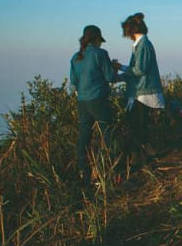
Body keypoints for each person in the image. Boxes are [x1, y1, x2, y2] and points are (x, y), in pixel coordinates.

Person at [113, 13, 165, 162]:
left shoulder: (143, 45)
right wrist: (119, 77)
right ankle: (143, 153)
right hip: (139, 91)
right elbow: (136, 71)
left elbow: (139, 70)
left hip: (143, 92)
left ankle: (144, 154)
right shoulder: (140, 45)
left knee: (138, 125)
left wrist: (120, 67)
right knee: (137, 124)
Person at [70, 25, 117, 185]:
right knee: (109, 135)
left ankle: (84, 174)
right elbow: (110, 77)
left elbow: (74, 82)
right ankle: (111, 173)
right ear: (97, 39)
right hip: (98, 100)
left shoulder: (76, 57)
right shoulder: (101, 54)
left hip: (82, 102)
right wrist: (116, 70)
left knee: (84, 137)